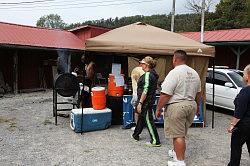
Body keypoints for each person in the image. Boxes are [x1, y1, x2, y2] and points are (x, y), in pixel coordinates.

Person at [156, 50, 201, 166]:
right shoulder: (194, 73)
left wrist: (158, 108)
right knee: (180, 133)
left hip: (177, 106)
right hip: (191, 105)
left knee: (178, 135)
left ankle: (180, 161)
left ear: (175, 59)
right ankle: (176, 153)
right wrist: (198, 107)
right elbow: (199, 93)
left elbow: (165, 94)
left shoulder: (174, 72)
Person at [131, 56, 161, 147]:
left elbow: (145, 89)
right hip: (148, 100)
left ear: (146, 65)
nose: (141, 65)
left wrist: (140, 102)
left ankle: (155, 141)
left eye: (142, 63)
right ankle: (136, 135)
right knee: (142, 117)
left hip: (146, 101)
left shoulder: (148, 75)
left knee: (148, 120)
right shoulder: (152, 74)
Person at [227, 64, 250, 166]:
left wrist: (232, 125)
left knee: (236, 147)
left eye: (244, 74)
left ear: (248, 76)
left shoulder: (245, 91)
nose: (243, 76)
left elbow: (240, 111)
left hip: (244, 125)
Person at [130, 63, 145, 130]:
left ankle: (137, 127)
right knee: (143, 110)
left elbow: (136, 81)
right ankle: (140, 126)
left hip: (137, 93)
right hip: (143, 93)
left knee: (136, 111)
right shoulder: (146, 72)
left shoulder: (135, 70)